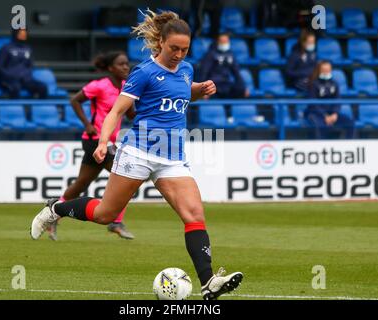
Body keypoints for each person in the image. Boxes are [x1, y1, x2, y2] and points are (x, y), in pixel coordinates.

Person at [31, 9, 243, 300]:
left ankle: (209, 282)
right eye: (174, 49)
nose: (179, 54)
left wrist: (201, 89)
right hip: (139, 152)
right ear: (161, 44)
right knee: (106, 214)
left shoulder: (186, 69)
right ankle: (56, 209)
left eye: (185, 49)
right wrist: (103, 141)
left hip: (172, 157)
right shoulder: (143, 72)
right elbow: (117, 110)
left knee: (194, 214)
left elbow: (183, 92)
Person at [46, 51, 135, 241]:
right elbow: (75, 100)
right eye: (121, 64)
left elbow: (130, 115)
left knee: (81, 184)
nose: (126, 67)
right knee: (128, 178)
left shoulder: (127, 87)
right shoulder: (99, 85)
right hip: (95, 140)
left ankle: (52, 212)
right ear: (111, 68)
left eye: (127, 63)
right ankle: (116, 222)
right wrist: (87, 124)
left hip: (110, 142)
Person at [305, 60, 355, 139]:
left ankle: (348, 146)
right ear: (319, 71)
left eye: (328, 70)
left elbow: (337, 100)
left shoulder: (334, 83)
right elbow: (313, 103)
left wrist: (335, 113)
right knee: (321, 126)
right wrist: (324, 115)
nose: (326, 72)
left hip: (332, 114)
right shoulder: (313, 84)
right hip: (317, 114)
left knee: (349, 122)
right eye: (324, 70)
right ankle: (321, 148)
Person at [0, 28, 47, 99]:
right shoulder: (6, 48)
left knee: (42, 87)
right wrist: (11, 76)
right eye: (21, 33)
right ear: (15, 34)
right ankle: (15, 109)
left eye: (25, 33)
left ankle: (42, 108)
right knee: (15, 88)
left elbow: (30, 65)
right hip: (10, 80)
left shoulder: (28, 49)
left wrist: (25, 74)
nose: (24, 34)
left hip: (25, 79)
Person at [198, 33, 248, 99]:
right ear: (218, 42)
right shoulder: (210, 54)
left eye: (226, 41)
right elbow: (204, 72)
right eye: (222, 41)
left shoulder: (230, 54)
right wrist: (203, 90)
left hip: (226, 84)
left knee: (240, 90)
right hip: (214, 84)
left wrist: (243, 88)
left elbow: (237, 73)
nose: (225, 44)